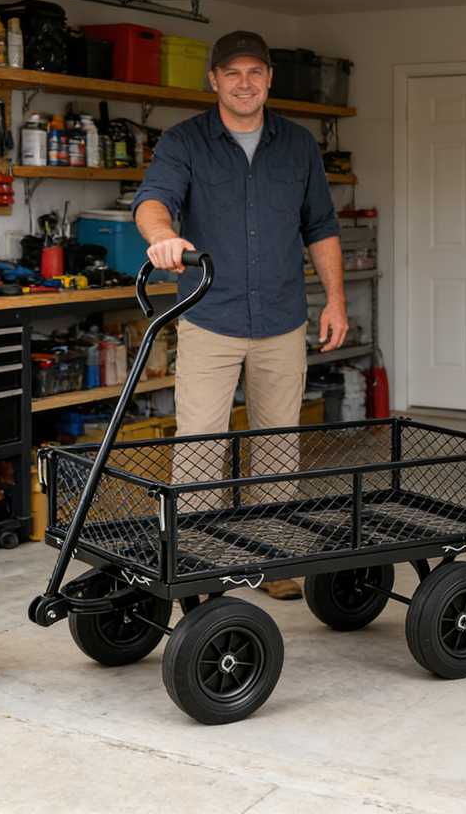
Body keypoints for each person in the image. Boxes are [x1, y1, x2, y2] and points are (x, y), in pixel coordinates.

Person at [133, 30, 348, 600]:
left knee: (278, 447)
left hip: (282, 319)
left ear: (269, 79)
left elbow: (321, 226)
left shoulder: (299, 145)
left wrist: (336, 300)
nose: (244, 82)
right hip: (210, 317)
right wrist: (162, 238)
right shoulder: (184, 142)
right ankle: (199, 569)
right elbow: (153, 199)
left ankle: (274, 562)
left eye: (255, 72)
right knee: (200, 446)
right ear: (214, 80)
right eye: (233, 73)